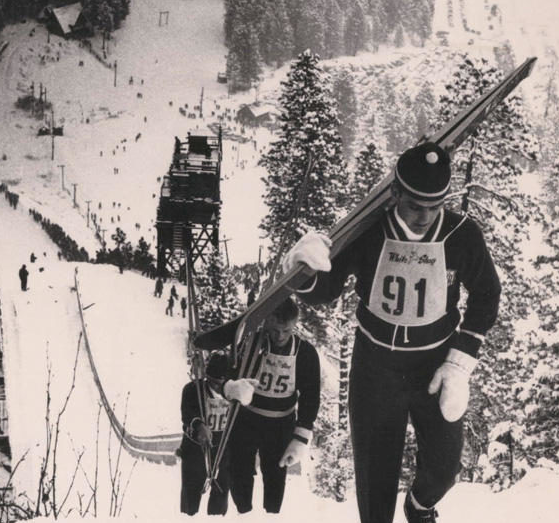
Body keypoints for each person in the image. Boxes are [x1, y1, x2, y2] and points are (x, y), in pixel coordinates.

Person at [283, 141, 501, 523]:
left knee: (445, 465)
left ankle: (419, 508)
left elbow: (487, 292)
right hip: (376, 366)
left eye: (434, 207)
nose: (423, 217)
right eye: (415, 206)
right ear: (396, 192)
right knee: (375, 478)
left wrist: (460, 362)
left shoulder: (461, 234)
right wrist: (303, 268)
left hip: (434, 364)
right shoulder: (369, 231)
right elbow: (326, 290)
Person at [203, 298, 320, 514]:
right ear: (266, 323)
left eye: (286, 331)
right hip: (247, 418)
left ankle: (271, 515)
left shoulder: (305, 353)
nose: (280, 336)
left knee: (276, 474)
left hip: (281, 422)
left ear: (294, 326)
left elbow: (311, 396)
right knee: (240, 470)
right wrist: (230, 386)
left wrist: (301, 435)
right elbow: (224, 372)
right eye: (274, 330)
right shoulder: (250, 344)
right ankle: (244, 512)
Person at [178, 353, 242, 516]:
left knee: (222, 487)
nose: (216, 387)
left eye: (220, 383)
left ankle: (216, 516)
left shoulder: (235, 395)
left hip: (223, 445)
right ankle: (188, 515)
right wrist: (199, 425)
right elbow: (187, 414)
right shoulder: (193, 390)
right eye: (212, 382)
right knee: (191, 488)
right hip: (195, 446)